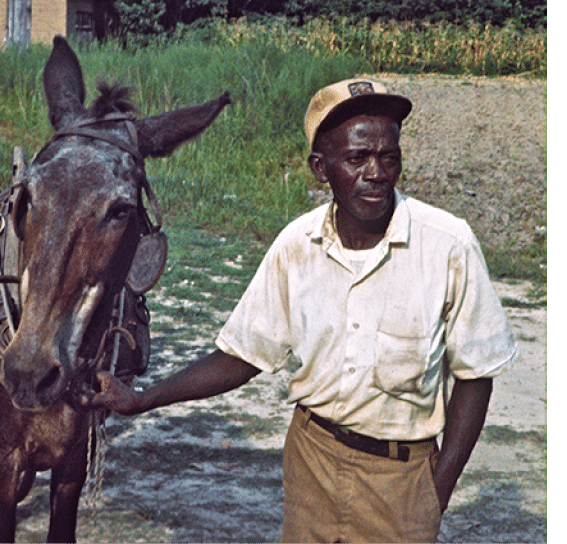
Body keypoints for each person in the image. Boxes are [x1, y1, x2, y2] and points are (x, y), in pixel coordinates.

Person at [80, 79, 519, 543]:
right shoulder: (297, 245)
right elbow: (243, 355)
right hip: (311, 463)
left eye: (389, 157)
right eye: (356, 158)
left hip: (403, 480)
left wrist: (437, 489)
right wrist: (142, 398)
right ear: (320, 168)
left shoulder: (448, 245)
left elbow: (475, 375)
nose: (376, 172)